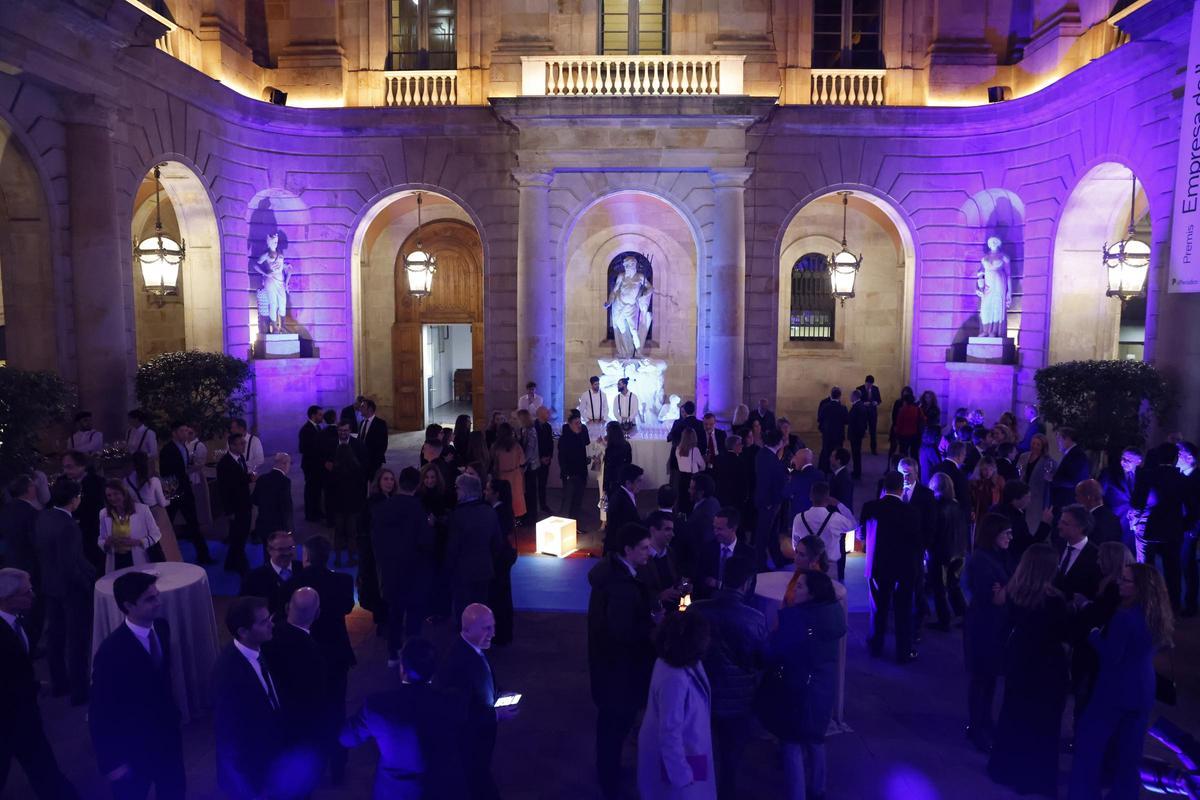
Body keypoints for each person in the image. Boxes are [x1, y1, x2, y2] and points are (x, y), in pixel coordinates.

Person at [1068, 562, 1175, 800]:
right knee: (1130, 754)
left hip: (1114, 690)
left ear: (1140, 588)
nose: (1119, 582)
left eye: (1125, 580)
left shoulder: (1124, 616)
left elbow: (1111, 657)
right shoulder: (1157, 613)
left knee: (1089, 747)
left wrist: (1095, 635)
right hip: (1144, 688)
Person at [89, 572, 184, 800]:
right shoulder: (111, 652)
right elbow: (100, 711)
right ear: (128, 606)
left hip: (167, 738)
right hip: (134, 747)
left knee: (174, 791)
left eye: (156, 595)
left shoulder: (161, 628)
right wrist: (112, 764)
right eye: (150, 599)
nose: (158, 603)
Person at [987, 543, 1070, 797]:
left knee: (1014, 713)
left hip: (1019, 657)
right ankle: (1035, 779)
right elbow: (1063, 634)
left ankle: (1005, 769)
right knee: (1043, 724)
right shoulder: (1054, 600)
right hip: (1046, 666)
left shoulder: (1016, 592)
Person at [341, 638, 469, 799]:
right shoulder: (452, 703)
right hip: (441, 790)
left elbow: (347, 737)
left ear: (402, 669)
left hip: (395, 793)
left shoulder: (379, 706)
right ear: (434, 671)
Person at [588, 523, 658, 799]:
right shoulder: (621, 587)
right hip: (619, 673)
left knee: (610, 728)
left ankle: (610, 771)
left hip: (609, 669)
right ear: (627, 550)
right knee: (613, 727)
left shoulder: (612, 575)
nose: (649, 552)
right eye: (643, 547)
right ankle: (609, 781)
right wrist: (652, 626)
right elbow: (622, 633)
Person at [763, 570, 847, 800]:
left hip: (797, 688)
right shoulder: (834, 613)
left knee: (791, 743)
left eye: (799, 587)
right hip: (823, 687)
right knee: (816, 739)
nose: (793, 590)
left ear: (812, 593)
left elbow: (775, 651)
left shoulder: (797, 619)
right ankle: (818, 789)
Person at [0, 568, 79, 800]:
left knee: (44, 772)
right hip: (12, 719)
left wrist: (34, 686)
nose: (33, 595)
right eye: (27, 592)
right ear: (7, 599)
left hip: (22, 715)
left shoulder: (15, 620)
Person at [689, 556, 765, 800]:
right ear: (748, 583)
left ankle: (697, 794)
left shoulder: (696, 610)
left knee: (697, 751)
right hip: (738, 701)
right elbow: (760, 661)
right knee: (730, 759)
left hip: (700, 696)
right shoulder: (755, 619)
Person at [283, 535, 356, 782]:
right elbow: (347, 608)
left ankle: (311, 765)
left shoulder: (294, 583)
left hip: (302, 654)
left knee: (308, 710)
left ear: (306, 557)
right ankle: (338, 767)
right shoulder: (344, 581)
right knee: (337, 710)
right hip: (336, 654)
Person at [636, 610, 717, 800]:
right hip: (679, 758)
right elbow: (669, 731)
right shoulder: (675, 679)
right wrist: (681, 775)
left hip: (685, 749)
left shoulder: (668, 661)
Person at [211, 597, 285, 800]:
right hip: (250, 773)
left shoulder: (259, 650)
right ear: (243, 632)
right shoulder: (228, 673)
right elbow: (228, 733)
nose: (271, 624)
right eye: (263, 622)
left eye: (269, 617)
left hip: (269, 757)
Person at [439, 603, 514, 800]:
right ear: (467, 628)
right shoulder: (458, 662)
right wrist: (496, 714)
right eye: (486, 628)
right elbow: (459, 713)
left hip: (479, 741)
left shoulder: (473, 648)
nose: (493, 633)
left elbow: (483, 680)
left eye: (493, 626)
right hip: (469, 743)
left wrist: (499, 692)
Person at [35, 477, 95, 705]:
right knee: (77, 641)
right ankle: (80, 692)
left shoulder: (44, 517)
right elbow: (72, 564)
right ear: (73, 500)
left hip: (50, 585)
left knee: (56, 638)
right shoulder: (69, 526)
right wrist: (87, 583)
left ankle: (60, 684)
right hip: (71, 590)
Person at [261, 586, 328, 789]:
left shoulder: (268, 635)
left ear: (287, 607)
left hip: (270, 724)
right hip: (299, 729)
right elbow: (317, 698)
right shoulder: (313, 652)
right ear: (317, 614)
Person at [371, 467, 435, 662]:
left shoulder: (384, 508)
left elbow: (376, 539)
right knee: (414, 615)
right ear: (417, 485)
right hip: (414, 572)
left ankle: (393, 654)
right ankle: (413, 656)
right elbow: (425, 542)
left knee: (395, 614)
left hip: (390, 571)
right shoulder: (417, 509)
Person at [858, 471, 922, 663]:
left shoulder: (870, 507)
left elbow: (861, 535)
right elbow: (917, 541)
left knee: (878, 608)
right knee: (903, 610)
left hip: (877, 566)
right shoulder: (912, 511)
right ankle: (904, 651)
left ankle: (875, 645)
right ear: (901, 489)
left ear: (884, 487)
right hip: (905, 567)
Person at [1132, 442, 1188, 611]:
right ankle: (1174, 606)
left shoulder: (1146, 476)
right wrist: (1184, 525)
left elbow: (1136, 502)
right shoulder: (1183, 479)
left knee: (1146, 569)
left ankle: (1146, 603)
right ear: (1176, 458)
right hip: (1173, 529)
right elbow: (1190, 507)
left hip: (1149, 528)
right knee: (1173, 569)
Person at [446, 474, 501, 624]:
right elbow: (497, 544)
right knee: (481, 609)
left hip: (462, 572)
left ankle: (465, 642)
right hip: (484, 570)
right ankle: (480, 641)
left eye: (457, 488)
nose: (455, 491)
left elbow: (453, 548)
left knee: (463, 612)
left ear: (464, 490)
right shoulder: (490, 512)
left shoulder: (457, 515)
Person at [0, 476, 44, 650]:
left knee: (10, 606)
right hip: (29, 567)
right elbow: (37, 544)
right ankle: (29, 646)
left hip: (8, 564)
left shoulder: (4, 511)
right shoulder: (32, 514)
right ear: (29, 490)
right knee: (31, 608)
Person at [158, 421, 210, 564]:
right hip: (175, 491)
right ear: (174, 433)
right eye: (182, 431)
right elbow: (167, 473)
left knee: (193, 522)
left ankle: (203, 555)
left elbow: (182, 468)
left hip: (185, 489)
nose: (186, 433)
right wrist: (171, 494)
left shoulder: (183, 447)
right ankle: (162, 554)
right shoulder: (168, 450)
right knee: (167, 523)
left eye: (187, 431)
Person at [926, 472, 967, 631]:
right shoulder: (957, 505)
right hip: (959, 551)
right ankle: (963, 614)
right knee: (954, 585)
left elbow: (935, 532)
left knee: (939, 588)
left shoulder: (937, 507)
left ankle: (944, 620)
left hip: (941, 553)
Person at [125, 452, 182, 562]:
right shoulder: (153, 480)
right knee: (166, 546)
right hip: (156, 514)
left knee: (147, 547)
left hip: (139, 515)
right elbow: (162, 503)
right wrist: (170, 499)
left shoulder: (126, 481)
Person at [792, 482, 854, 582]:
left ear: (810, 497)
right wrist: (839, 504)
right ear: (828, 499)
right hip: (829, 568)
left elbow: (795, 545)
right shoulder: (836, 519)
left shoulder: (798, 518)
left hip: (805, 565)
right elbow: (853, 524)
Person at [98, 479, 164, 573]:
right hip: (116, 561)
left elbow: (156, 534)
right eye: (109, 495)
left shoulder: (143, 510)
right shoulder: (103, 513)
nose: (112, 498)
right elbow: (101, 539)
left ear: (124, 493)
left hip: (138, 558)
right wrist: (107, 543)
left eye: (116, 494)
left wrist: (138, 542)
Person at [326, 421, 367, 566]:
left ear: (350, 431)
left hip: (345, 500)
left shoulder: (358, 445)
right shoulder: (332, 445)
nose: (343, 433)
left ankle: (342, 558)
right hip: (344, 500)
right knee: (346, 532)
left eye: (345, 430)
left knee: (345, 531)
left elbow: (363, 470)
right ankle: (347, 557)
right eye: (340, 430)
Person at [485, 477, 518, 646]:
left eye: (488, 489)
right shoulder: (504, 510)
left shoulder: (497, 513)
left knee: (499, 597)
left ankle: (501, 633)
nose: (485, 491)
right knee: (503, 595)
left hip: (499, 560)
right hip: (504, 558)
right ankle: (503, 632)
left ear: (496, 493)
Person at [61, 450, 107, 571]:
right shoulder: (62, 483)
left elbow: (97, 508)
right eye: (64, 467)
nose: (66, 471)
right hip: (71, 536)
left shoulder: (97, 482)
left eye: (69, 467)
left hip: (92, 533)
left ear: (83, 465)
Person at [696, 507, 755, 599]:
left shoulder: (748, 553)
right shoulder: (707, 548)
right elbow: (699, 578)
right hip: (709, 602)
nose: (715, 532)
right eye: (714, 528)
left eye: (720, 529)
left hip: (736, 605)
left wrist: (717, 584)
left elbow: (750, 588)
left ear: (733, 528)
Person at [217, 433, 255, 574]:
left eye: (244, 443)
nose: (244, 445)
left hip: (244, 503)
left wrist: (248, 478)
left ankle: (230, 562)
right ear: (232, 445)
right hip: (235, 507)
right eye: (241, 443)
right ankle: (241, 565)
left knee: (241, 534)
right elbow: (224, 489)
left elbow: (239, 480)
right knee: (239, 535)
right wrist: (229, 511)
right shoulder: (224, 464)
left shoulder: (240, 458)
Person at [753, 429, 790, 570]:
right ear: (778, 442)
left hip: (771, 501)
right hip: (769, 503)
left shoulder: (764, 455)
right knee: (763, 535)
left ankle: (778, 558)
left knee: (772, 533)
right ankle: (760, 564)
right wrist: (768, 502)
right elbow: (766, 482)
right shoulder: (769, 459)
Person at [990, 480, 1053, 560]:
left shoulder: (997, 509)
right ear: (1015, 499)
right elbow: (1028, 545)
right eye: (1027, 497)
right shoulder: (1013, 518)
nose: (1029, 501)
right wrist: (1045, 524)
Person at [240, 530, 296, 616]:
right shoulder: (253, 578)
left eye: (290, 548)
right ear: (269, 550)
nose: (287, 553)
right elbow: (245, 609)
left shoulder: (303, 570)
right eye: (281, 549)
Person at [1054, 503, 1102, 602]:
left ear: (1081, 527)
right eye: (1060, 522)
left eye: (1065, 523)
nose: (1059, 526)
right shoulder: (1056, 546)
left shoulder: (1097, 556)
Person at [1099, 446, 1142, 552]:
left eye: (1129, 459)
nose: (1124, 461)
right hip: (1114, 517)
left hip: (1133, 522)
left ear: (1138, 462)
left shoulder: (1142, 475)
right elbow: (1099, 493)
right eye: (1123, 458)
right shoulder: (1109, 473)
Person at [251, 453, 294, 545]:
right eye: (290, 463)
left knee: (267, 552)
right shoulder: (285, 482)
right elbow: (286, 508)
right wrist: (289, 530)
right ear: (284, 464)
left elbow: (254, 499)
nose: (289, 466)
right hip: (278, 528)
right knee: (278, 554)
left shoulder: (262, 478)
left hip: (262, 525)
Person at [1016, 432, 1055, 531]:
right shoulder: (1024, 456)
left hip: (1037, 495)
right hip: (1022, 492)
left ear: (1043, 446)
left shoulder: (1048, 461)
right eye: (1033, 443)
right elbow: (1018, 470)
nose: (1035, 446)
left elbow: (1052, 478)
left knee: (1032, 521)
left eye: (1038, 444)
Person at [489, 422, 527, 521]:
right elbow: (522, 460)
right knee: (515, 498)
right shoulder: (516, 446)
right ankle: (515, 521)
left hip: (501, 475)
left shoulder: (495, 446)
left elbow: (492, 460)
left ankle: (505, 519)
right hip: (515, 475)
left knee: (504, 498)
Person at [558, 412, 591, 524]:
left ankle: (574, 524)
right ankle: (567, 525)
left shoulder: (580, 436)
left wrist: (587, 460)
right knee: (569, 501)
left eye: (580, 423)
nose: (579, 425)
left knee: (578, 500)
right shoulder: (564, 439)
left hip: (581, 473)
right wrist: (566, 474)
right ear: (570, 425)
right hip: (571, 475)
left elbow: (582, 453)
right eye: (576, 423)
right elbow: (562, 458)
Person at [604, 463, 644, 555]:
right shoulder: (622, 501)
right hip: (618, 549)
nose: (641, 484)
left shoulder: (623, 494)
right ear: (628, 483)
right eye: (639, 481)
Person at [1050, 427, 1091, 510]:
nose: (1058, 442)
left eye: (1059, 439)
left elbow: (1073, 481)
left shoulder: (1077, 455)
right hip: (1065, 500)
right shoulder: (1072, 454)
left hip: (1068, 501)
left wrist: (1052, 479)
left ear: (1068, 439)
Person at [1075, 478, 1122, 545]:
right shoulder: (1114, 518)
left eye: (1078, 495)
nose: (1076, 499)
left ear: (1088, 497)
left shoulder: (1090, 521)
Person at [357, 399, 389, 479]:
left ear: (370, 409)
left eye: (363, 407)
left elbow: (383, 445)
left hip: (374, 462)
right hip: (361, 461)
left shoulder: (380, 423)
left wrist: (375, 461)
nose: (360, 409)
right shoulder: (362, 423)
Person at [968, 456, 1006, 523]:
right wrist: (972, 511)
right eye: (985, 469)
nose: (988, 472)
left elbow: (1003, 498)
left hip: (994, 514)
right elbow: (970, 499)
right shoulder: (974, 482)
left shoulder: (999, 480)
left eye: (991, 469)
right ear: (980, 469)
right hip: (979, 515)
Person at [854, 375, 883, 455]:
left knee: (873, 432)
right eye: (868, 384)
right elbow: (855, 400)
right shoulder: (859, 389)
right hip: (862, 413)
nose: (869, 386)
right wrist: (863, 403)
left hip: (872, 413)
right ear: (865, 382)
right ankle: (858, 449)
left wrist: (876, 402)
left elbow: (879, 400)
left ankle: (873, 449)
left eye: (870, 384)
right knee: (860, 431)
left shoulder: (875, 389)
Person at [890, 388, 922, 458]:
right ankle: (914, 467)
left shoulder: (903, 410)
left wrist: (897, 431)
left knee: (904, 452)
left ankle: (902, 467)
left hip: (904, 434)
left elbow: (898, 421)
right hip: (913, 433)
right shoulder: (916, 408)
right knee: (913, 453)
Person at [846, 391, 869, 479]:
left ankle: (857, 472)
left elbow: (857, 421)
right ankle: (856, 470)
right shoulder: (860, 406)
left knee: (856, 453)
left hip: (855, 434)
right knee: (856, 453)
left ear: (855, 396)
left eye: (851, 396)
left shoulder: (857, 407)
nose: (850, 397)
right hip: (857, 434)